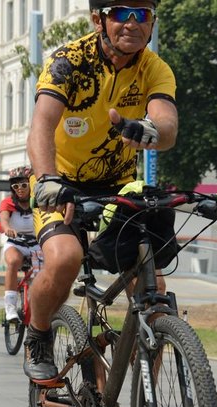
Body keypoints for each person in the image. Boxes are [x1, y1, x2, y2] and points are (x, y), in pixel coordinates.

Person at [24, 0, 178, 382]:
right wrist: (48, 180)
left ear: (152, 23)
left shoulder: (154, 67)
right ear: (98, 19)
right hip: (61, 182)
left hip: (118, 188)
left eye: (142, 15)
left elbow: (168, 127)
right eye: (121, 13)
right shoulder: (68, 62)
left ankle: (145, 405)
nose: (132, 23)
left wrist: (151, 130)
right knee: (65, 258)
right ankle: (38, 334)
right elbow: (41, 127)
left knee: (155, 292)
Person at [0, 166, 40, 322]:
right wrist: (7, 228)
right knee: (14, 261)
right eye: (15, 186)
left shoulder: (39, 201)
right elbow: (4, 219)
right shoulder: (8, 202)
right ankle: (10, 308)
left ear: (30, 184)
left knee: (44, 273)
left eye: (24, 185)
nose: (20, 189)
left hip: (36, 245)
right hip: (16, 243)